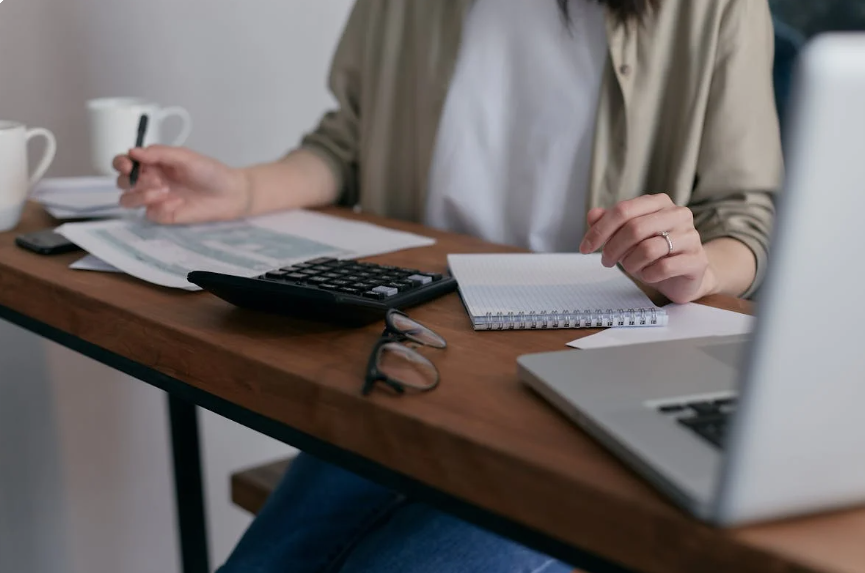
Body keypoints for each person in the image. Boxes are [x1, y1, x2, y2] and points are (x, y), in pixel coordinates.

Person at [114, 0, 782, 570]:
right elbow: (346, 143)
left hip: (593, 385)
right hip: (415, 357)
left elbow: (744, 216)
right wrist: (244, 188)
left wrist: (695, 266)